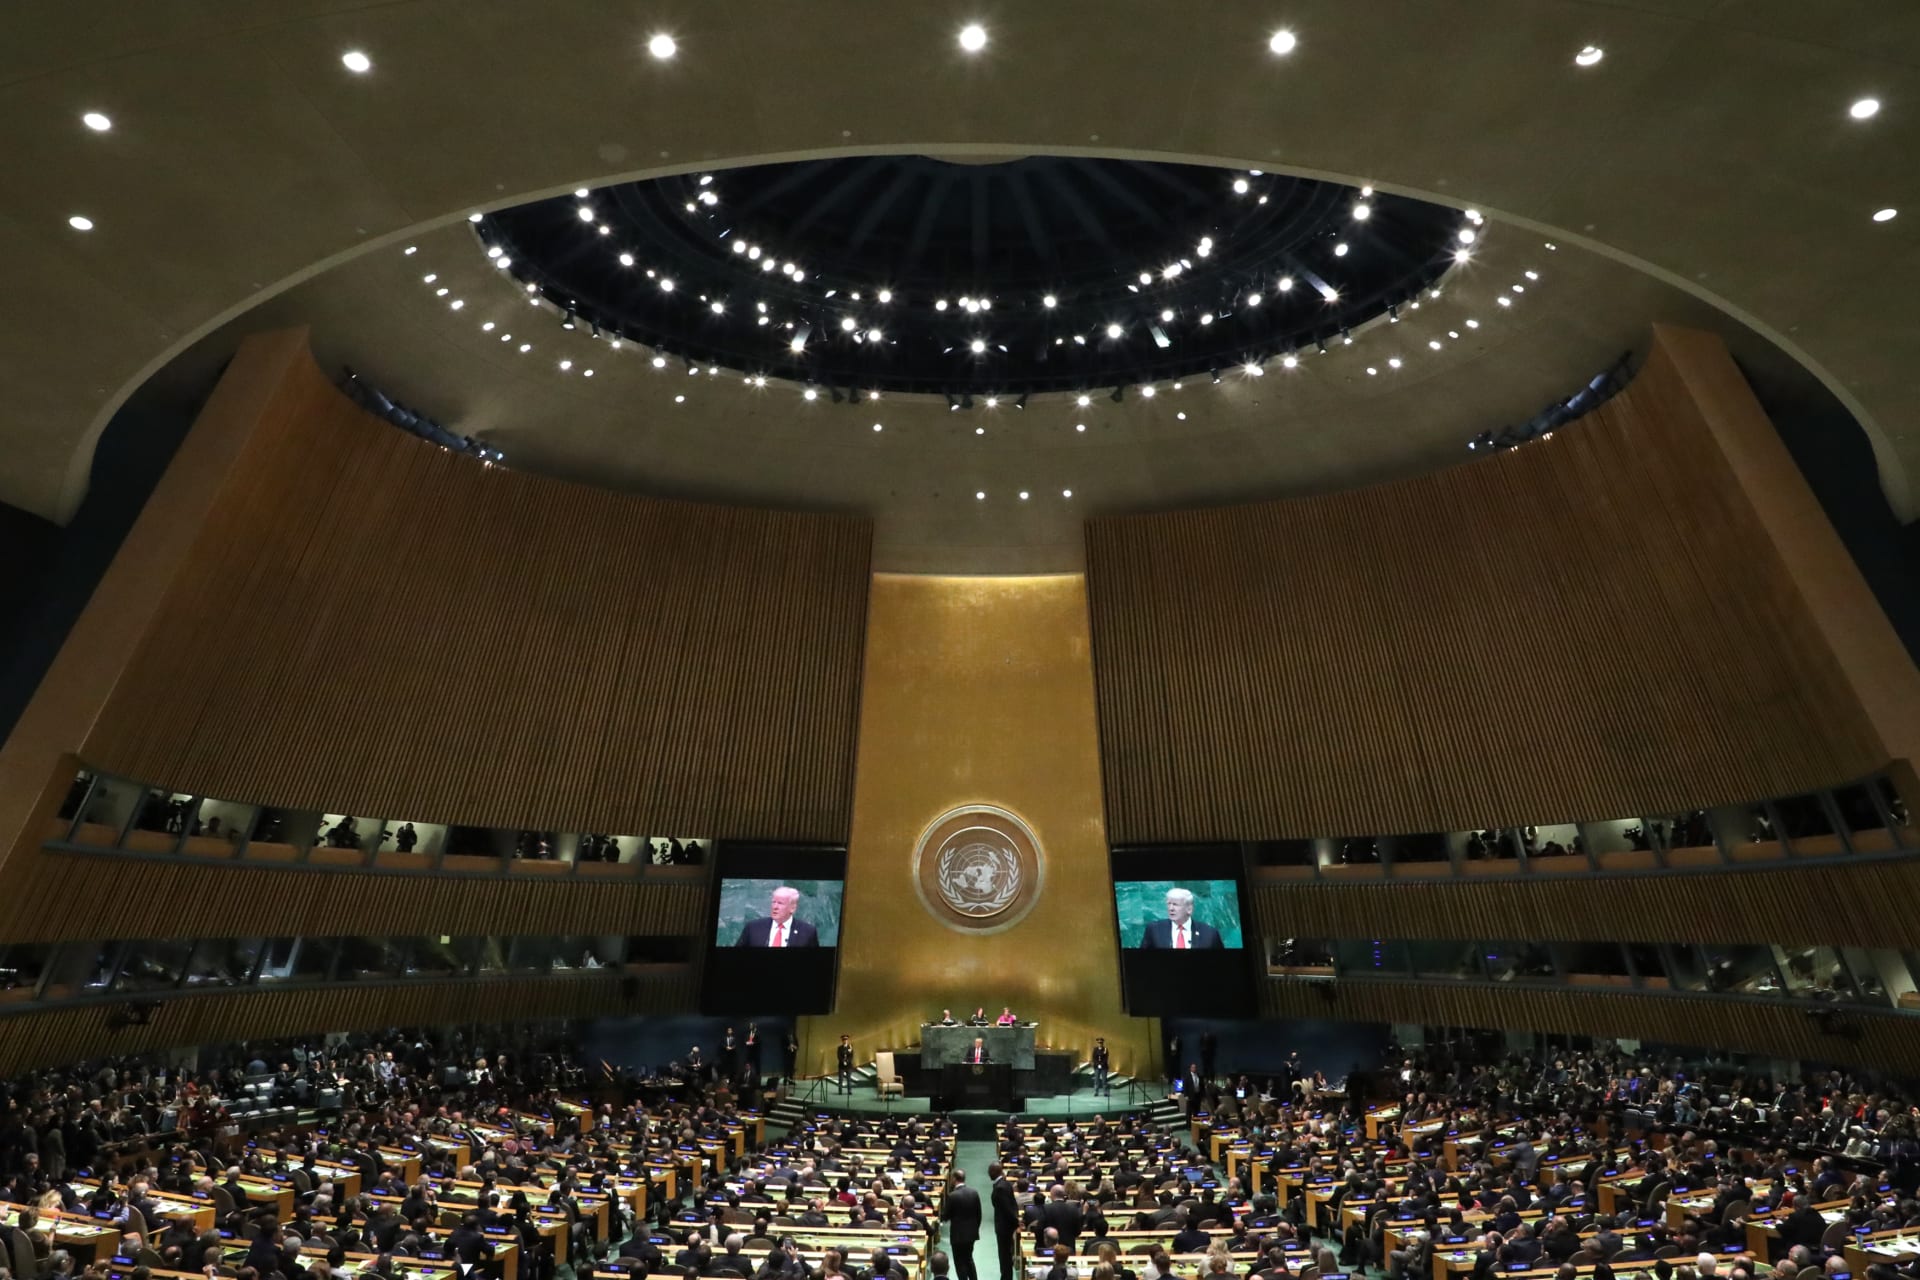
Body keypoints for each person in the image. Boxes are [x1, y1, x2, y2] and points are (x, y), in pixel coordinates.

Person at [1139, 888, 1224, 949]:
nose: (1171, 908)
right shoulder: (1154, 929)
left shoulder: (1210, 933)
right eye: (1169, 904)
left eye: (1175, 904)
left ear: (1189, 909)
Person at [736, 886, 819, 948]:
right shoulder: (753, 927)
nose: (775, 907)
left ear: (792, 908)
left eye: (780, 903)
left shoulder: (808, 932)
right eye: (773, 902)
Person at [942, 1169, 982, 1280]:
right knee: (969, 1259)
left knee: (959, 1262)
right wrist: (974, 1229)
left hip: (957, 1235)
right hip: (971, 1234)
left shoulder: (952, 1196)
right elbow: (979, 1215)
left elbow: (945, 1216)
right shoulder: (974, 1193)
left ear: (954, 1179)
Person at [989, 1163, 1019, 1280]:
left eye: (990, 1171)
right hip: (1006, 1225)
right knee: (1005, 1254)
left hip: (1004, 1227)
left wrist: (1016, 1222)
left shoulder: (1000, 1187)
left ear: (994, 1172)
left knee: (1004, 1255)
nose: (989, 1174)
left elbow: (1007, 1209)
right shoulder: (1005, 1184)